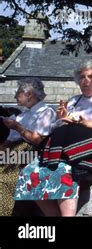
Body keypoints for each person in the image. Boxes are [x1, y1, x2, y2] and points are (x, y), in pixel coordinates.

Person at [15, 60, 92, 216]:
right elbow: (57, 128)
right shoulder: (74, 100)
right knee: (28, 172)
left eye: (90, 77)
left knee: (63, 169)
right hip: (67, 148)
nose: (85, 81)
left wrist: (85, 123)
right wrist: (61, 119)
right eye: (82, 77)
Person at [0, 78, 55, 216]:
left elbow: (37, 140)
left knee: (5, 180)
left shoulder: (46, 112)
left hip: (32, 152)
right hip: (14, 152)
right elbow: (8, 141)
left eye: (18, 92)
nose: (15, 96)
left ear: (29, 94)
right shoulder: (23, 115)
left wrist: (17, 127)